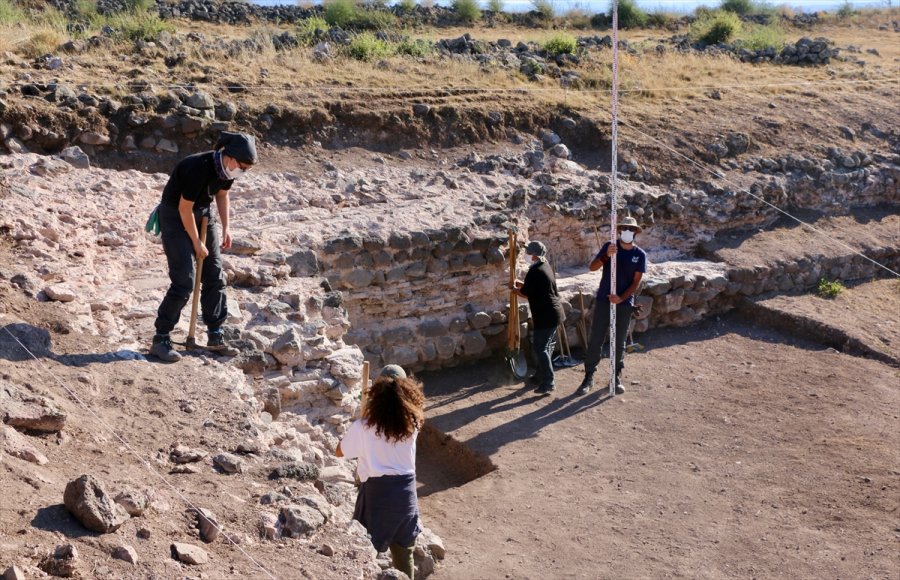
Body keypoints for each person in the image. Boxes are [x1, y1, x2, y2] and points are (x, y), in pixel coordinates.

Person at [149, 131, 257, 362]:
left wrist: (226, 227)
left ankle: (215, 334)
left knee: (215, 275)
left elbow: (222, 195)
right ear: (230, 157)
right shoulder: (197, 167)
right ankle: (161, 338)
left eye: (247, 169)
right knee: (184, 281)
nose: (243, 172)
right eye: (243, 167)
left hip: (204, 215)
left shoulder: (226, 170)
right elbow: (184, 208)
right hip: (175, 216)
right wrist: (197, 242)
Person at [336, 365, 424, 579]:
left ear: (377, 392)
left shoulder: (364, 426)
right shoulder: (413, 424)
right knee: (404, 554)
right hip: (406, 497)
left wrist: (361, 422)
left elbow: (340, 452)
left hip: (377, 496)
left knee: (362, 552)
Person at [577, 216, 647, 395]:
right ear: (619, 230)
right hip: (604, 300)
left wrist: (621, 298)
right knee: (596, 339)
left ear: (636, 232)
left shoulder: (639, 255)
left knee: (619, 341)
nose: (627, 232)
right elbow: (592, 267)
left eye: (631, 229)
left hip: (624, 303)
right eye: (625, 228)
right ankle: (588, 376)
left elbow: (636, 282)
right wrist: (606, 256)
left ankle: (615, 376)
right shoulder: (610, 246)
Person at [511, 241, 566, 396]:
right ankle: (540, 376)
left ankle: (549, 382)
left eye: (528, 252)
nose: (526, 255)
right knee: (545, 347)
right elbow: (534, 287)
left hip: (546, 315)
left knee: (540, 348)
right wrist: (519, 285)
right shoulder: (545, 266)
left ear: (534, 255)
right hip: (553, 313)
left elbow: (526, 293)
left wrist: (514, 289)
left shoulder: (535, 271)